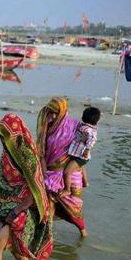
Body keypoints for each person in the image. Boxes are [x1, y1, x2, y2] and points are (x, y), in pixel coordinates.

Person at [0, 114, 53, 260]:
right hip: (9, 206)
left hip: (26, 209)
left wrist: (16, 211)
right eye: (1, 136)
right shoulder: (6, 155)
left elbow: (37, 190)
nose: (3, 140)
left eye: (6, 136)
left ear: (16, 136)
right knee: (15, 250)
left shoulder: (28, 158)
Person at [36, 97, 89, 237]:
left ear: (63, 112)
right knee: (49, 205)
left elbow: (82, 151)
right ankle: (48, 235)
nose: (52, 116)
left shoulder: (77, 127)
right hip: (51, 174)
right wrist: (42, 175)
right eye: (50, 112)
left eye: (55, 113)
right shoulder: (46, 128)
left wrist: (83, 175)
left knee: (73, 209)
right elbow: (41, 154)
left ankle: (83, 233)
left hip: (72, 176)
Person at [61, 107, 100, 197]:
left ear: (83, 117)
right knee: (80, 167)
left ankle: (67, 190)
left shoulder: (87, 130)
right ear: (96, 121)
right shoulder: (87, 127)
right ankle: (85, 182)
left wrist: (87, 149)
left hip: (80, 156)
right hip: (80, 155)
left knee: (67, 172)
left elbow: (92, 140)